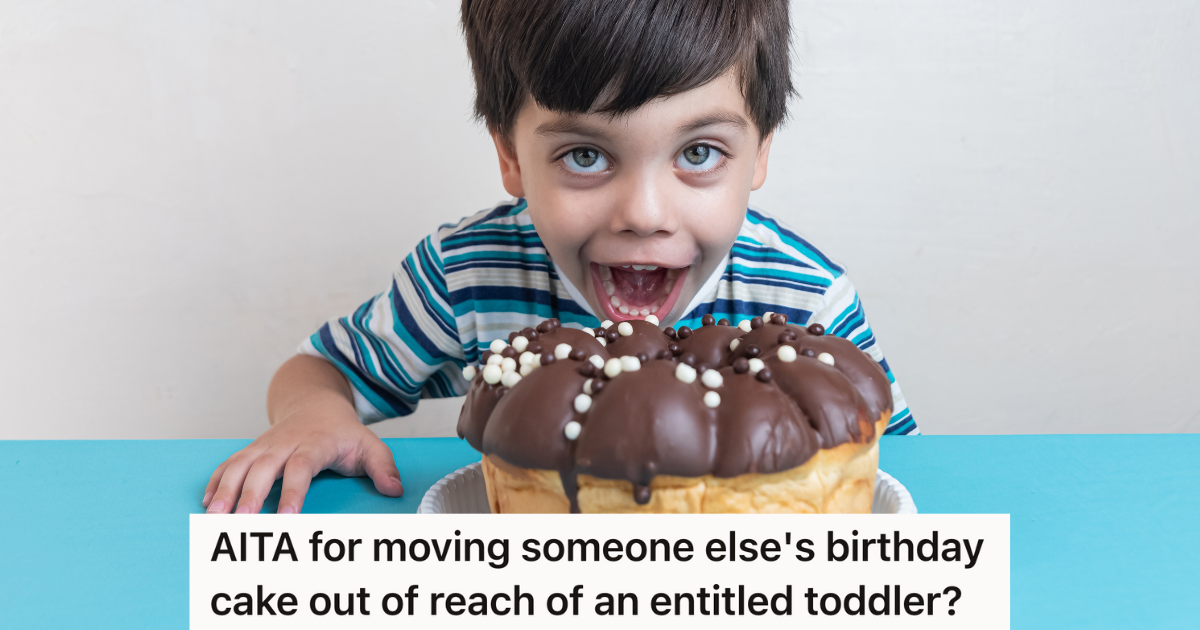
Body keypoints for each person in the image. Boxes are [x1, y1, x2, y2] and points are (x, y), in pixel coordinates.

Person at [202, 0, 917, 515]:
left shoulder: (803, 297)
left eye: (699, 153)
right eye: (585, 155)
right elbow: (324, 368)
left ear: (760, 152)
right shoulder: (469, 274)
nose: (644, 213)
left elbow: (894, 468)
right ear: (511, 157)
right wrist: (312, 416)